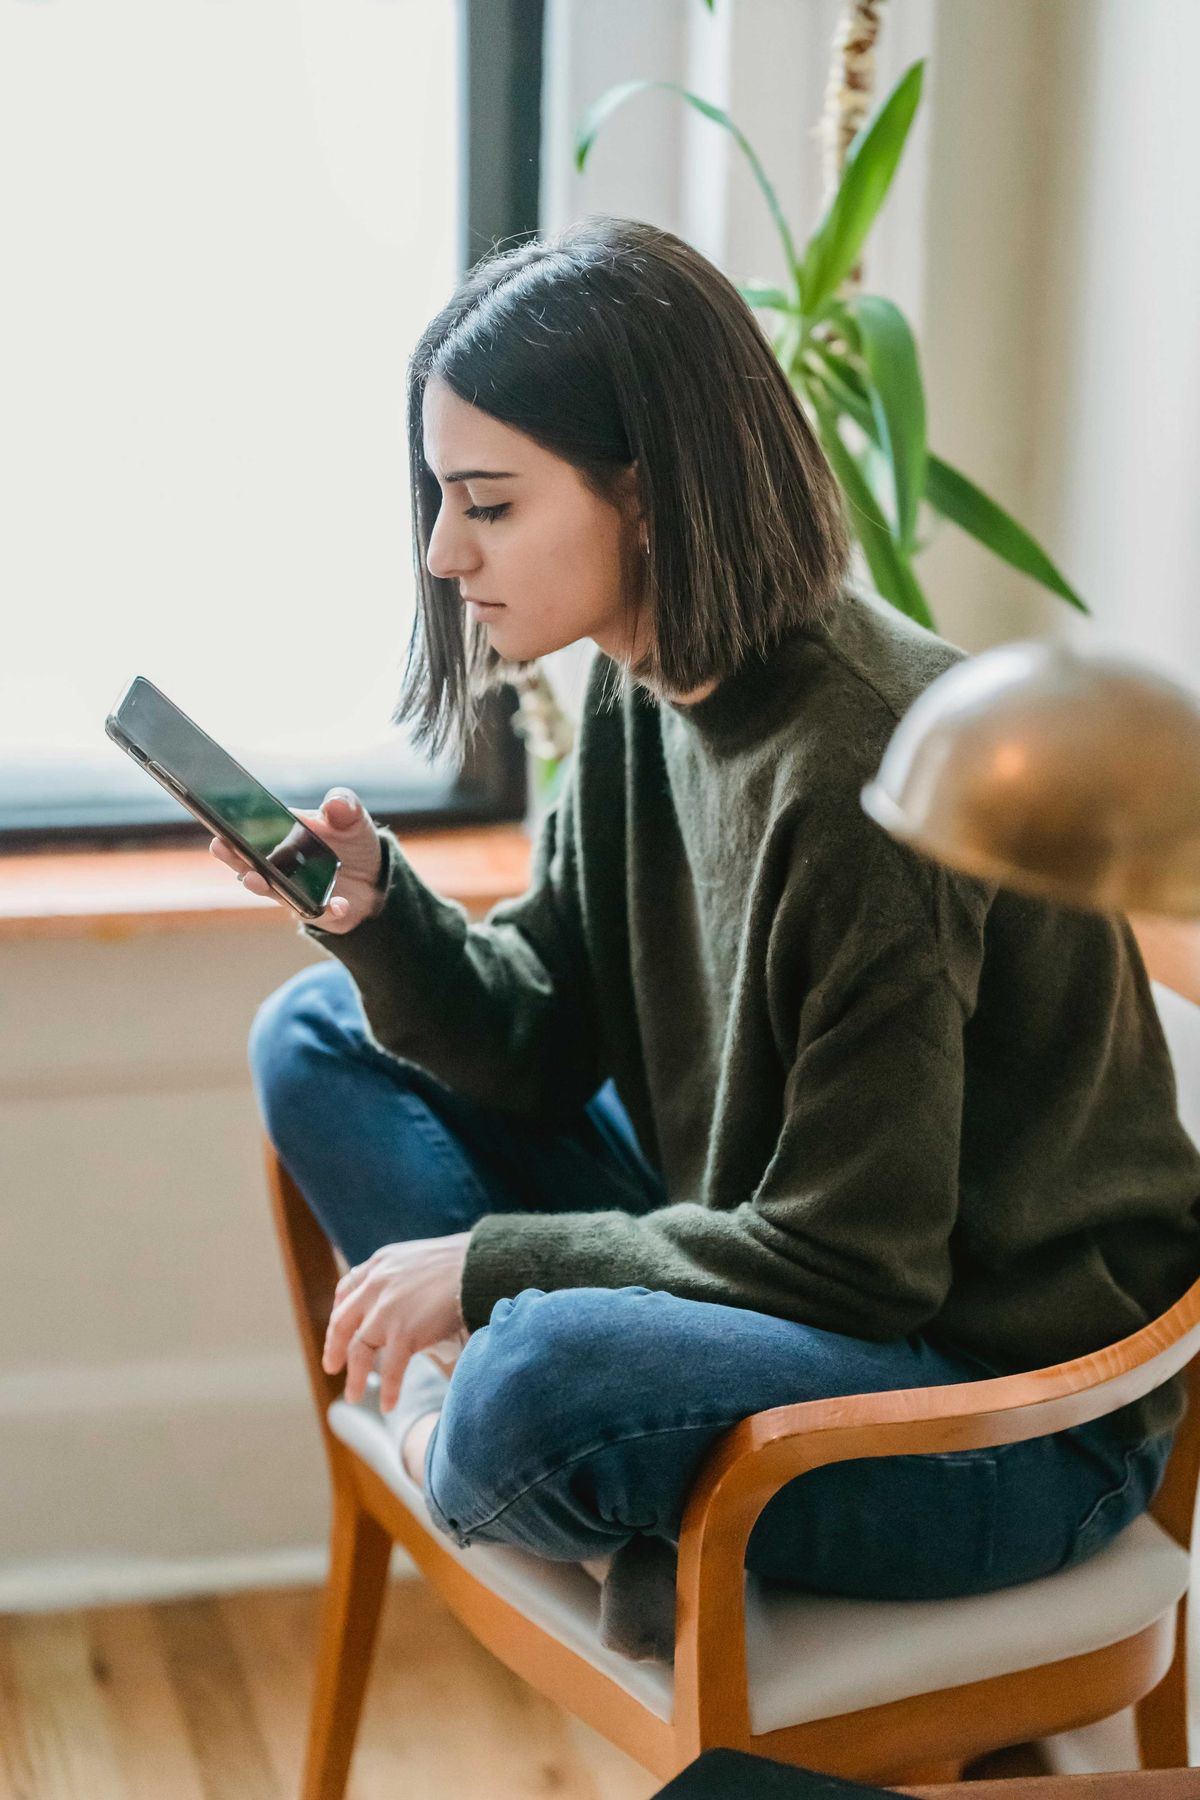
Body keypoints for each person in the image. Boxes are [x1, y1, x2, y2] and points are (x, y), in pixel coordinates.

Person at [225, 215, 1200, 1662]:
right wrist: (382, 919)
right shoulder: (640, 681)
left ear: (650, 492)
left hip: (985, 1410)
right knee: (311, 1030)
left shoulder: (868, 775)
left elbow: (862, 1266)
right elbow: (544, 1039)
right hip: (763, 1242)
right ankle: (581, 1474)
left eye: (489, 504)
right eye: (443, 499)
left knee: (540, 1373)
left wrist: (493, 1272)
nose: (444, 552)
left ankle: (490, 1434)